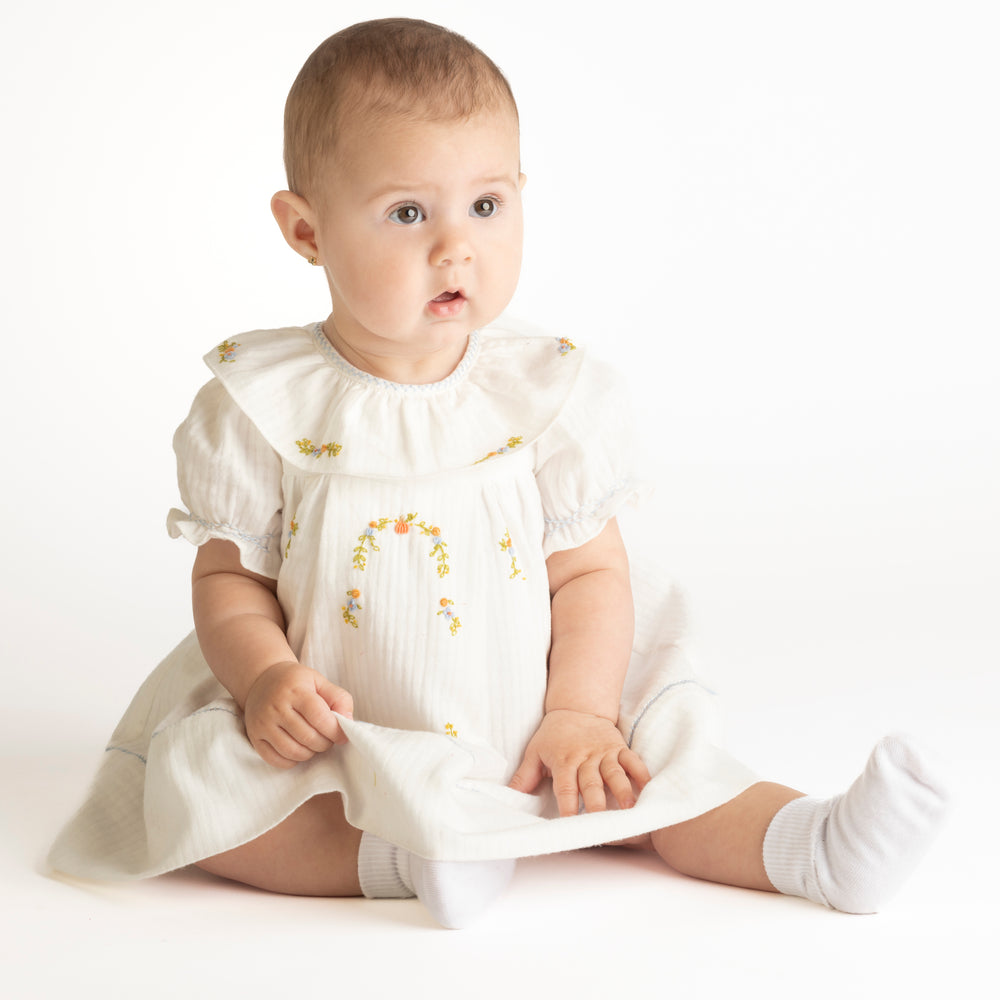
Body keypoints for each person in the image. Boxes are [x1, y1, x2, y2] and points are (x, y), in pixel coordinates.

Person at [48, 18, 948, 929]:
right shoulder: (261, 406)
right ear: (306, 229)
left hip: (540, 713)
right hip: (352, 736)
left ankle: (813, 846)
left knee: (653, 779)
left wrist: (584, 713)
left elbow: (591, 572)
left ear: (522, 195)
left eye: (486, 206)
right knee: (215, 808)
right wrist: (267, 680)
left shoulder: (547, 395)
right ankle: (408, 852)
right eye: (408, 213)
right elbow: (230, 582)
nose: (456, 247)